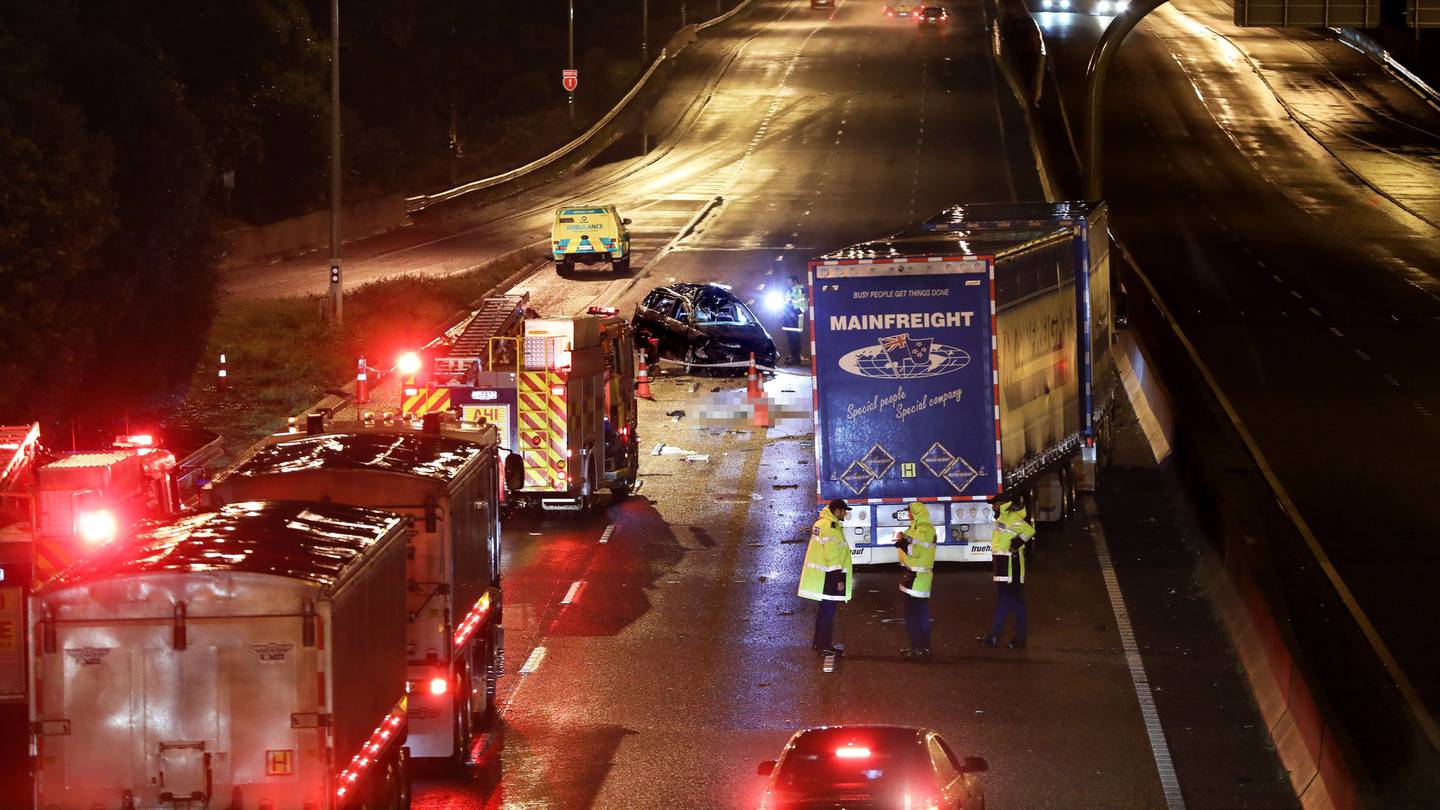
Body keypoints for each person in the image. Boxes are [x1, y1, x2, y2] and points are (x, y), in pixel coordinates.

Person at [978, 497, 1036, 649]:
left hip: (1011, 568)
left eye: (994, 505)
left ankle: (1014, 638)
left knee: (1015, 604)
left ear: (1001, 504)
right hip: (1004, 567)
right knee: (1005, 603)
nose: (993, 508)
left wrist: (1015, 545)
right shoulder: (1003, 517)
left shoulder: (1011, 516)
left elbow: (1029, 530)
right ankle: (995, 637)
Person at [798, 498, 853, 656]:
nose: (845, 514)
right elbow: (832, 556)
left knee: (823, 612)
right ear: (837, 511)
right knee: (827, 614)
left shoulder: (821, 523)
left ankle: (819, 643)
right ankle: (824, 646)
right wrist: (838, 580)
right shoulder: (830, 527)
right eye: (844, 511)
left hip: (823, 575)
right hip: (829, 577)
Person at [894, 502, 937, 658]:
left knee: (913, 614)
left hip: (917, 578)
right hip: (916, 576)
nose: (908, 514)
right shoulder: (920, 528)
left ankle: (918, 647)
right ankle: (923, 647)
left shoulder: (923, 529)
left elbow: (915, 551)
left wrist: (901, 542)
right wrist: (904, 537)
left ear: (916, 512)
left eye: (910, 511)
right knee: (920, 613)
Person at [782, 275, 806, 365]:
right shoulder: (789, 291)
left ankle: (795, 358)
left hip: (796, 318)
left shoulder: (799, 290)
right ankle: (794, 356)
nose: (787, 284)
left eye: (789, 282)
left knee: (795, 339)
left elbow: (803, 306)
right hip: (789, 318)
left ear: (795, 282)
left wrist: (793, 313)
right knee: (790, 339)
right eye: (786, 282)